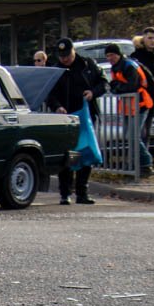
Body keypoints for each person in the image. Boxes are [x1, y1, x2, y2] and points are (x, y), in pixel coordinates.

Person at [46, 37, 107, 204]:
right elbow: (49, 94)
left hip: (86, 117)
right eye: (61, 56)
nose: (64, 59)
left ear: (73, 51)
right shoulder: (56, 70)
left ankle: (82, 193)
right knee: (68, 155)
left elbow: (104, 83)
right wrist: (57, 106)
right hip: (65, 118)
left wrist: (93, 92)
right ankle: (65, 193)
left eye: (67, 55)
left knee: (85, 153)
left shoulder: (88, 65)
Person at [103, 43, 154, 177]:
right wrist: (118, 86)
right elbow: (115, 86)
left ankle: (146, 162)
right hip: (128, 107)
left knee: (132, 136)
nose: (110, 58)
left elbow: (131, 87)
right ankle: (134, 164)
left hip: (140, 104)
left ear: (118, 54)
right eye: (107, 56)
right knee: (129, 137)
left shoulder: (129, 66)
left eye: (112, 55)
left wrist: (117, 87)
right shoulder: (117, 67)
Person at [130, 26, 154, 169]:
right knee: (138, 133)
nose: (152, 41)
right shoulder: (137, 57)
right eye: (149, 38)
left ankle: (144, 165)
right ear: (143, 39)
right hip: (141, 100)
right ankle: (140, 163)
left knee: (146, 132)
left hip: (153, 100)